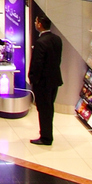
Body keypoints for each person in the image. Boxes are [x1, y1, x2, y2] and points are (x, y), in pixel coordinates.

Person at [27, 11, 63, 145]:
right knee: (49, 108)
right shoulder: (57, 39)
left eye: (36, 22)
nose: (36, 24)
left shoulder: (41, 42)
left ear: (40, 25)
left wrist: (33, 79)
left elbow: (37, 64)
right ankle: (47, 134)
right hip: (54, 80)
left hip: (43, 82)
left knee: (44, 110)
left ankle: (46, 137)